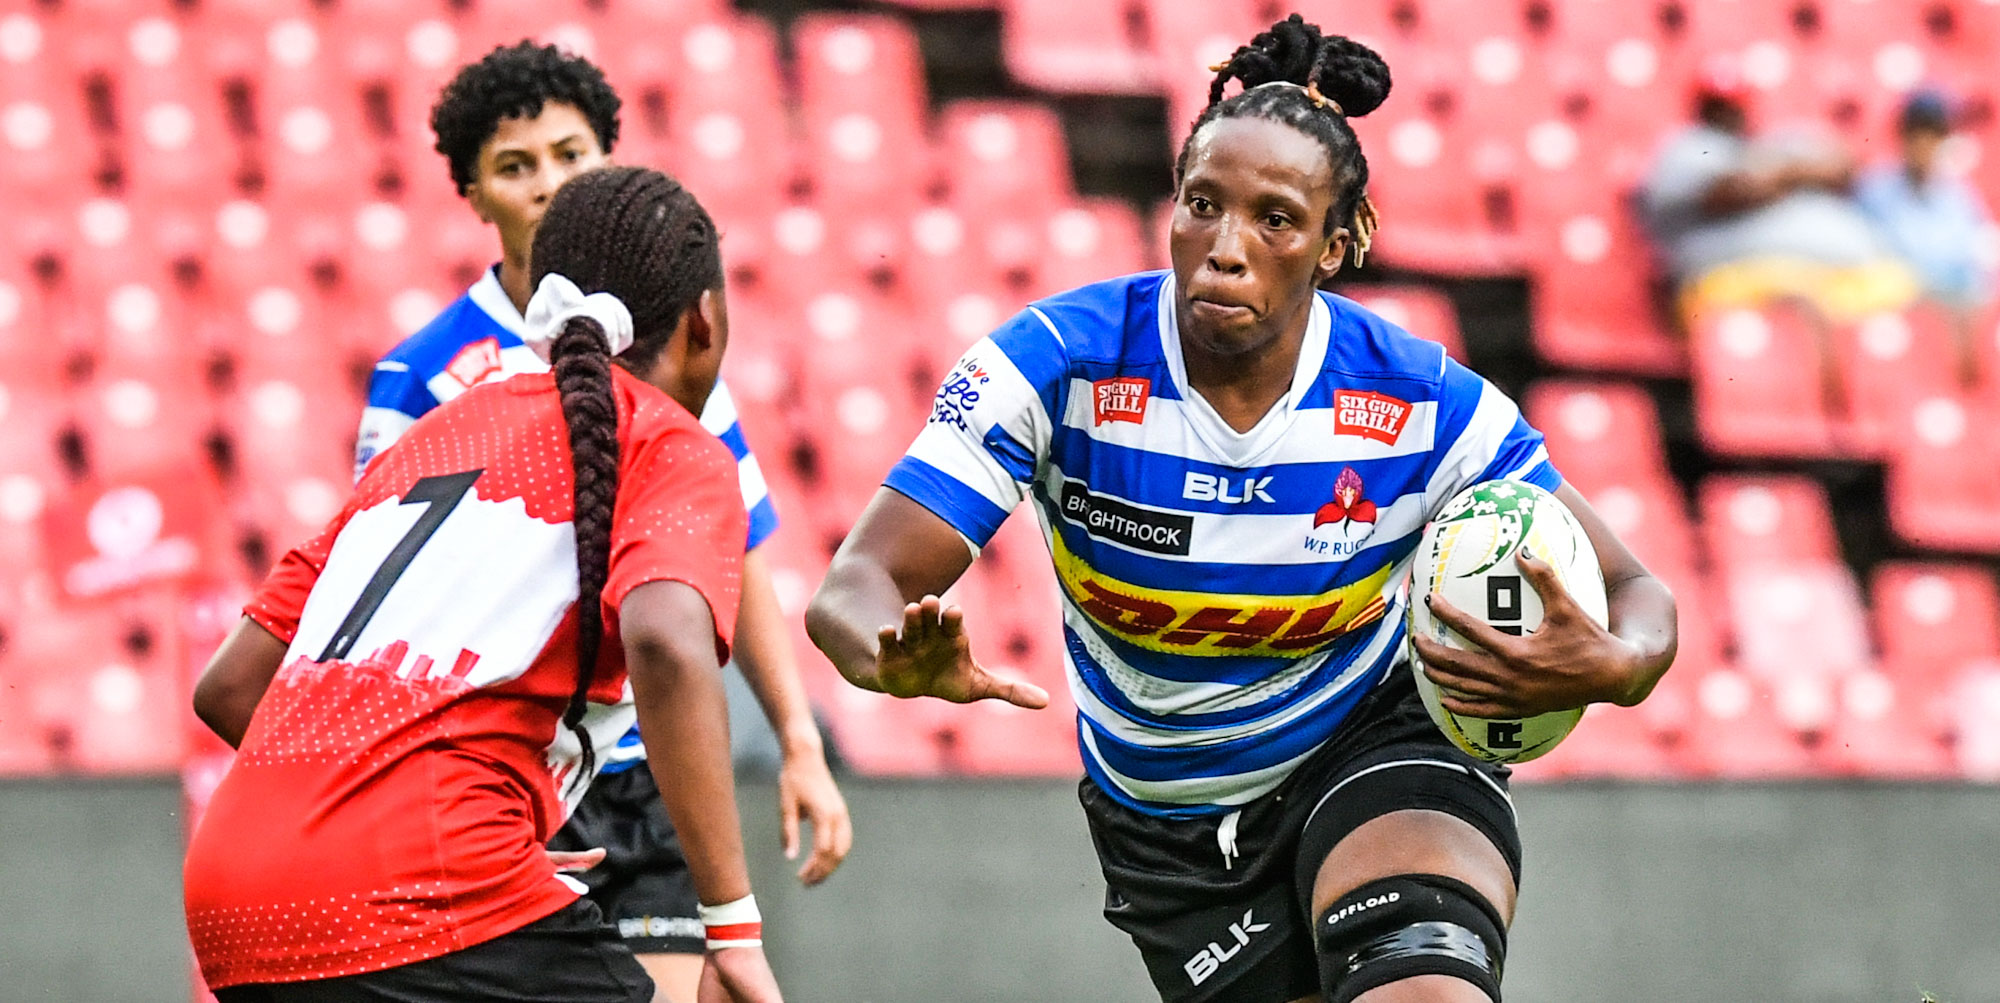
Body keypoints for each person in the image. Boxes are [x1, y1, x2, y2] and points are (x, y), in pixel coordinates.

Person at [807, 15, 1676, 1003]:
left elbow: (1636, 591)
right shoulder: (1053, 365)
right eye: (1201, 206)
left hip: (1373, 741)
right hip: (1168, 830)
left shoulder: (1419, 402)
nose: (1224, 249)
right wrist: (883, 654)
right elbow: (855, 585)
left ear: (1334, 247)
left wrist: (1621, 665)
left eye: (1274, 220)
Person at [185, 166, 783, 1003]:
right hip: (418, 893)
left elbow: (228, 685)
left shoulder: (433, 434)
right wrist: (732, 924)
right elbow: (664, 640)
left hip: (235, 901)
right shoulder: (672, 445)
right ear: (704, 320)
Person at [357, 42, 850, 999]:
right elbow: (382, 592)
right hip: (506, 773)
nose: (547, 182)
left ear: (607, 164)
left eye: (570, 154)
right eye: (515, 165)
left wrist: (798, 736)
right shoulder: (424, 376)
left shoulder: (671, 348)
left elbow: (734, 548)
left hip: (643, 763)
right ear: (475, 194)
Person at [1638, 57, 1917, 325]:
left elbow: (1844, 168)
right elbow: (1735, 192)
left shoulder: (1764, 144)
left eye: (1732, 105)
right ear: (1701, 107)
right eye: (1716, 106)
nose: (1726, 113)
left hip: (1829, 272)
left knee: (1902, 293)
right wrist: (1794, 173)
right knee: (1797, 311)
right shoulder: (1688, 146)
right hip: (1738, 278)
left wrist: (1787, 173)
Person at [1856, 89, 1995, 383]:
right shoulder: (1875, 188)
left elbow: (1973, 262)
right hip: (1898, 312)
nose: (1923, 144)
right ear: (1903, 137)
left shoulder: (1958, 195)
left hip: (1954, 305)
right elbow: (1869, 260)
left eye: (1932, 135)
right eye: (1916, 134)